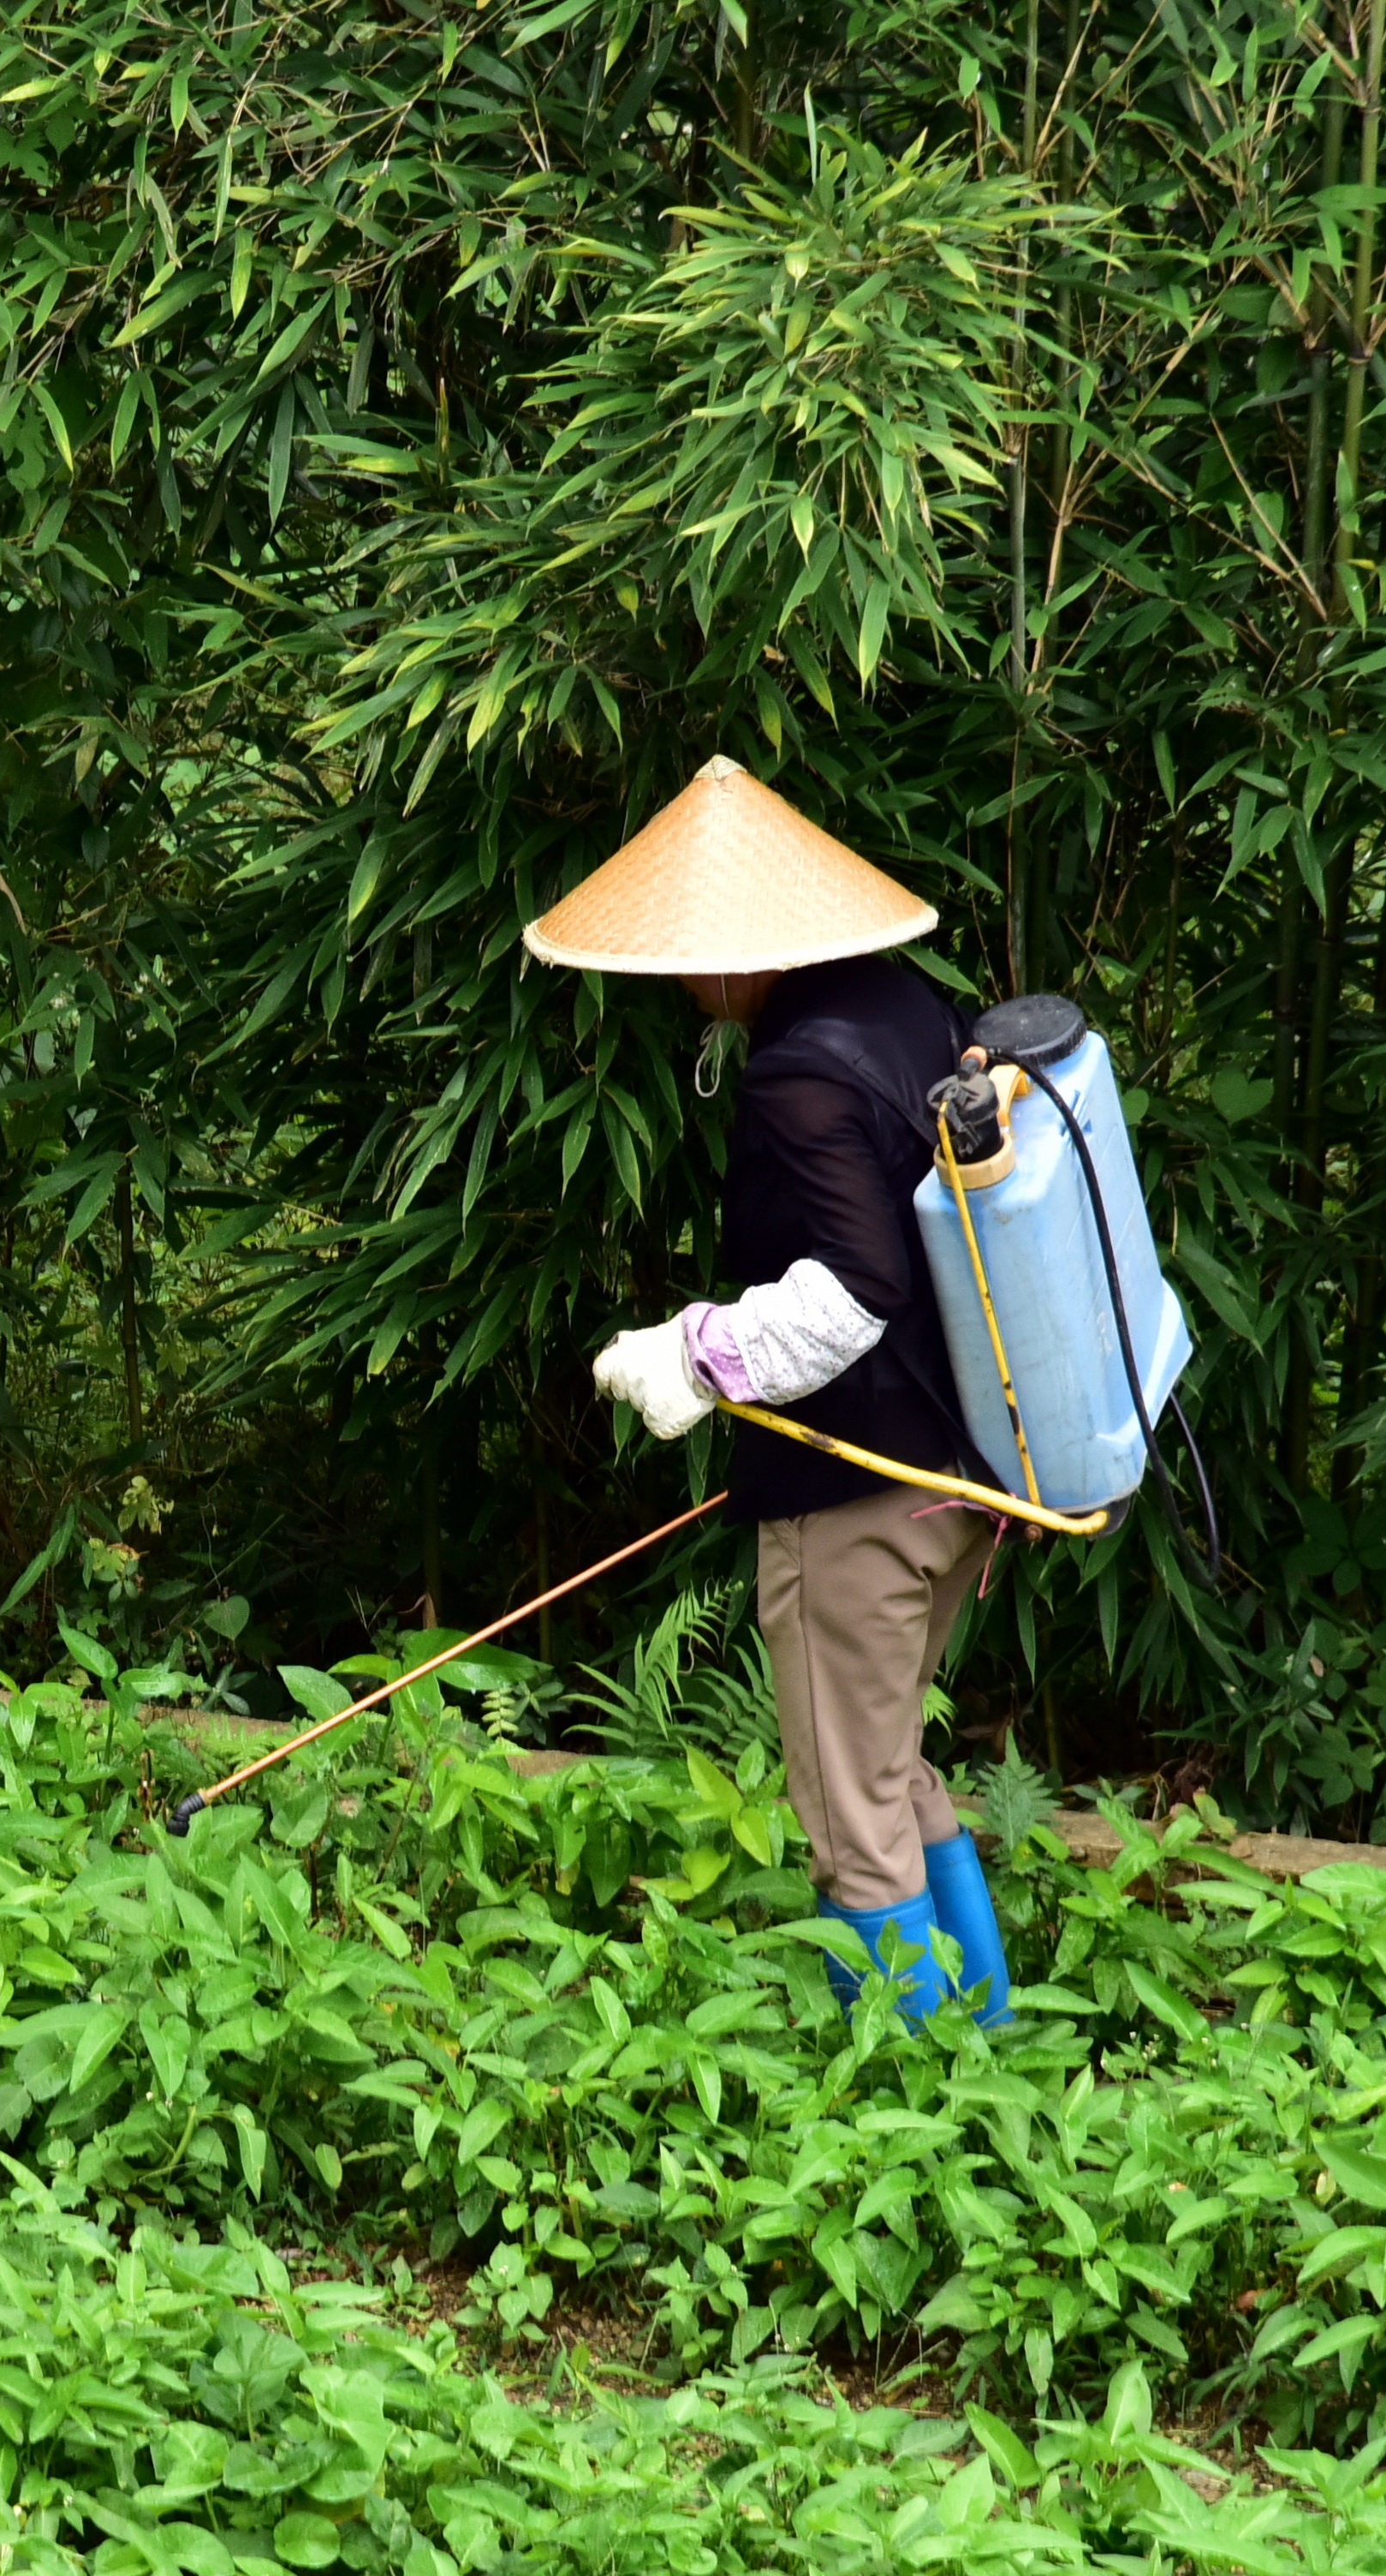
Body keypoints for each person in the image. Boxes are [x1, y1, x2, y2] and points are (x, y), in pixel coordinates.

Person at [523, 756, 1010, 2024]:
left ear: (742, 950)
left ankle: (910, 2109)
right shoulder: (903, 1005)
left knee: (850, 1819)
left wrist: (687, 1356)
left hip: (859, 1506)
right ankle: (991, 2038)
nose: (680, 981)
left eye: (689, 955)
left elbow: (855, 1294)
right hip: (960, 1477)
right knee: (892, 1773)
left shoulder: (799, 1075)